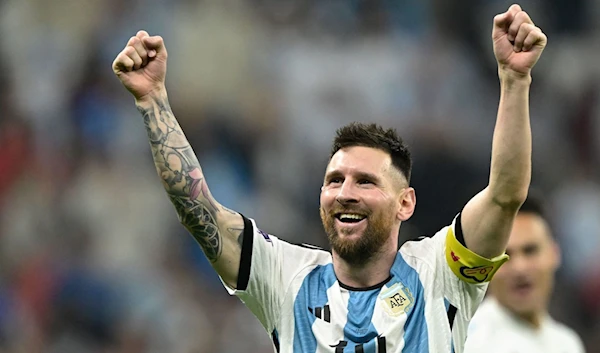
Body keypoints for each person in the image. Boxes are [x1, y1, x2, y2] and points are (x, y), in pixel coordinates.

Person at [111, 4, 546, 353]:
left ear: (405, 203)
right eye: (334, 180)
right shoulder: (284, 277)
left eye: (365, 182)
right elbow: (196, 208)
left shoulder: (441, 274)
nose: (345, 193)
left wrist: (514, 79)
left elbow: (505, 194)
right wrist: (152, 102)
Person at [464, 195, 586, 353]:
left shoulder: (567, 343)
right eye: (505, 256)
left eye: (530, 251)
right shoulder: (470, 342)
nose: (519, 268)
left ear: (554, 253)